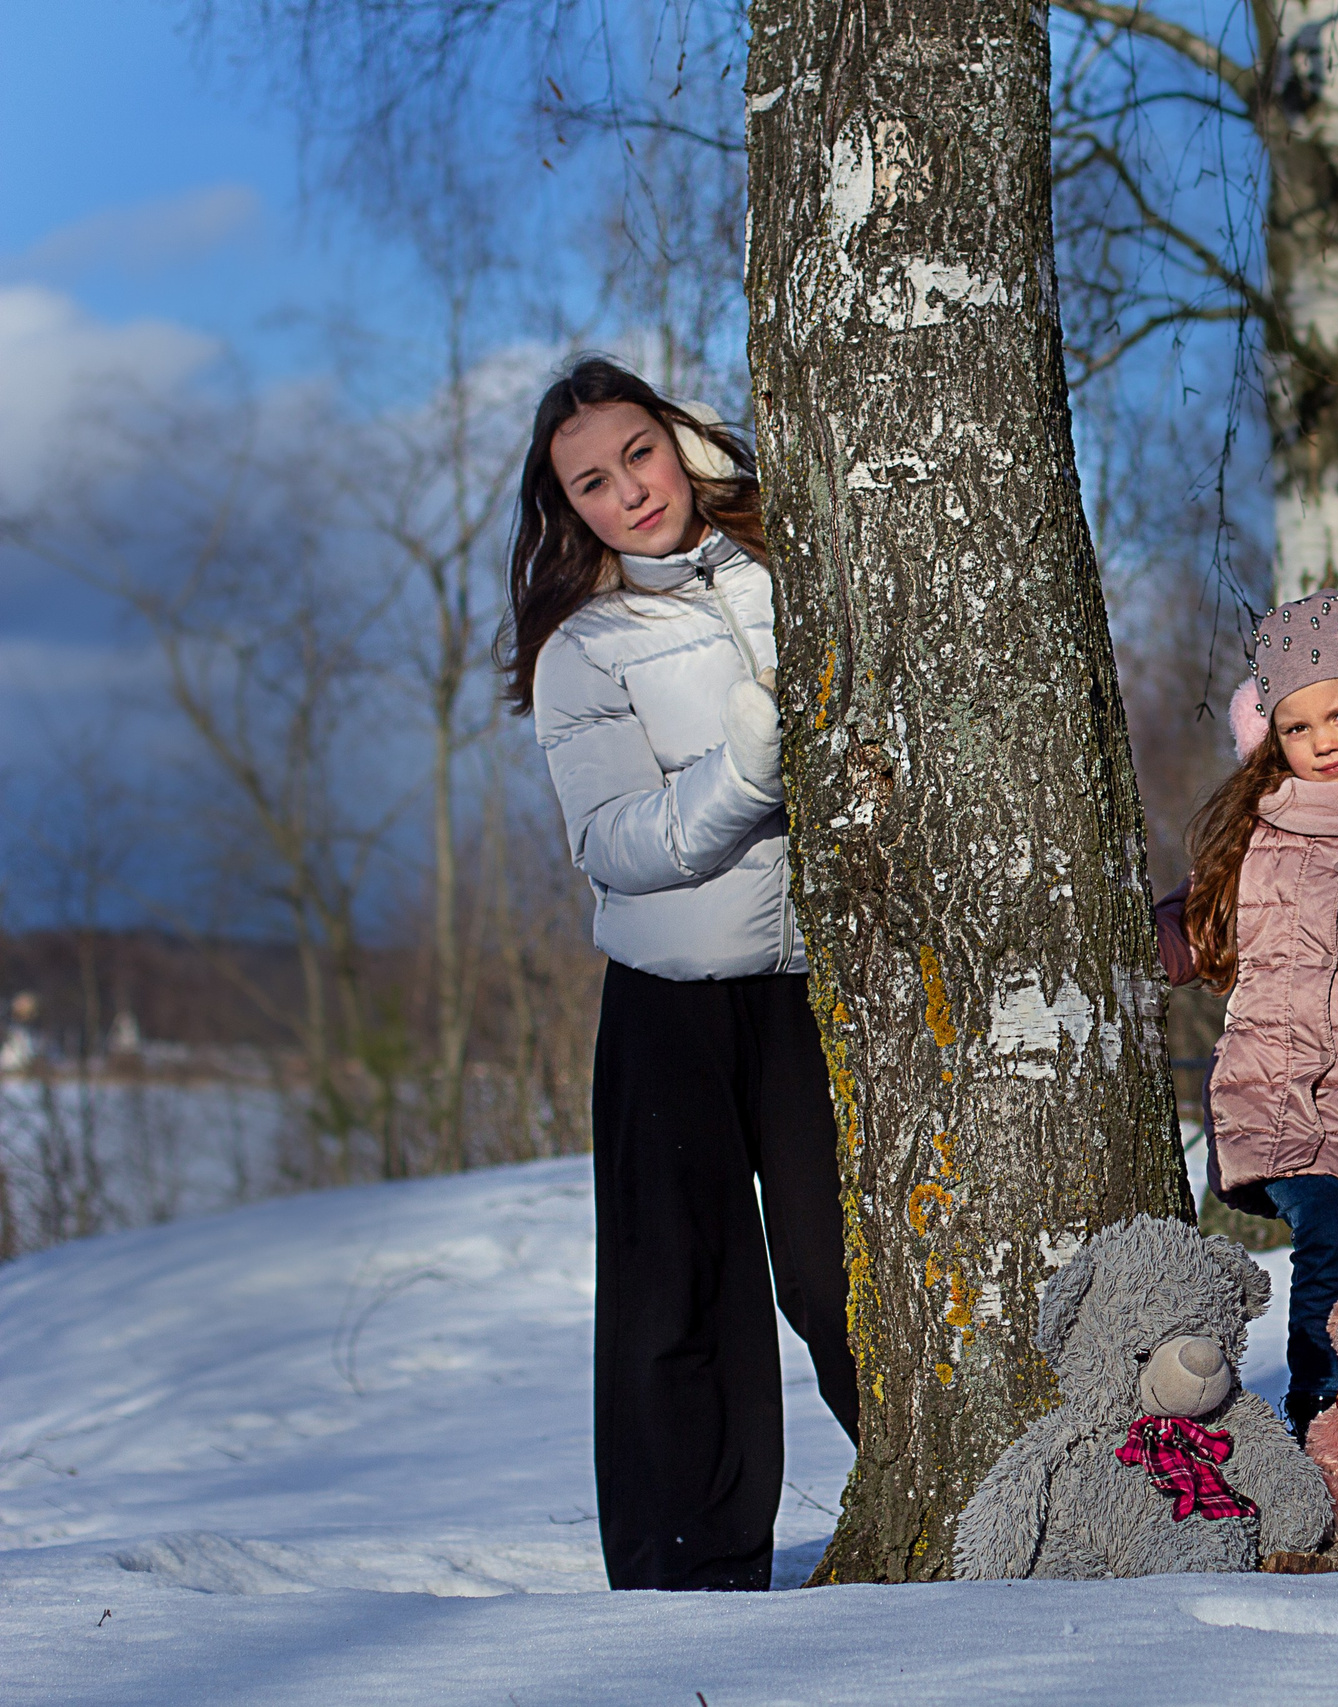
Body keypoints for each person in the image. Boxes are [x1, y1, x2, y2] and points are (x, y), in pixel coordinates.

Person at [500, 356, 861, 1591]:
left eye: (639, 455)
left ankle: (954, 1492)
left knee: (841, 1271)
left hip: (815, 990)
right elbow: (615, 844)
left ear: (684, 442)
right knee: (679, 1299)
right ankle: (683, 1585)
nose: (627, 493)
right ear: (570, 511)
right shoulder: (584, 646)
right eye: (590, 483)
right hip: (667, 1007)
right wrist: (750, 770)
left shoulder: (796, 564)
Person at [1153, 592, 1338, 1440]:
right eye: (1296, 727)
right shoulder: (1261, 827)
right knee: (1330, 1223)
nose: (1322, 743)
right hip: (1270, 1087)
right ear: (1264, 737)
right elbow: (1192, 929)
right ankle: (1316, 1404)